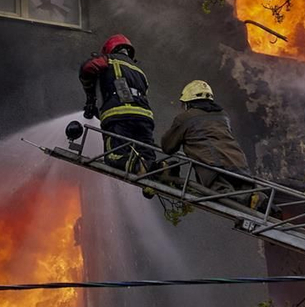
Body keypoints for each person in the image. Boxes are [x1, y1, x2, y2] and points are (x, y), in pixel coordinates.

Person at [78, 34, 157, 177]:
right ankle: (163, 168)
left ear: (109, 49)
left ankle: (136, 165)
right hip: (145, 119)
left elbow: (88, 68)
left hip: (119, 117)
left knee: (113, 156)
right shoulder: (140, 72)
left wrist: (90, 99)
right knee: (148, 157)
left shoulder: (109, 60)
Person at [160, 79, 252, 193]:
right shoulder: (223, 116)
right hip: (240, 165)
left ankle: (251, 199)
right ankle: (263, 200)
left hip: (215, 168)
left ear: (188, 102)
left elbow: (167, 147)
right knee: (250, 196)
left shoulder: (185, 118)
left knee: (224, 196)